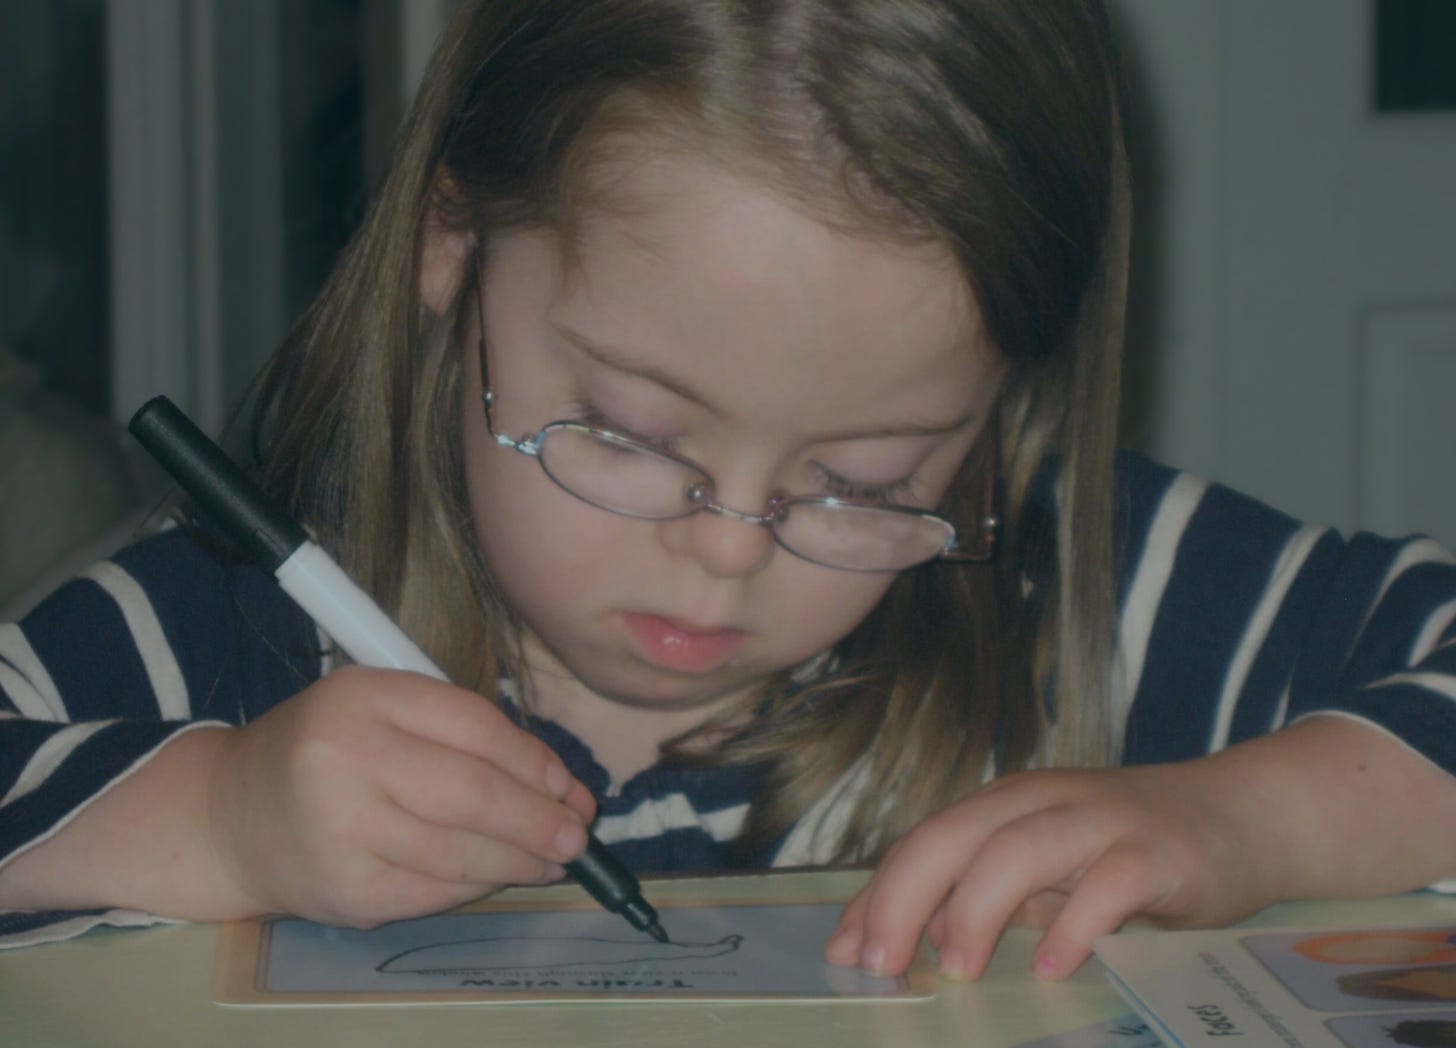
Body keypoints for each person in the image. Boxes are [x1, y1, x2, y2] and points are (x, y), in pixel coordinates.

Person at [2, 0, 1454, 982]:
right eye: (633, 434)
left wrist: (1250, 826)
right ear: (454, 237)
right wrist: (224, 821)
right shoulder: (236, 628)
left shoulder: (1068, 581)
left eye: (863, 481)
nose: (723, 557)